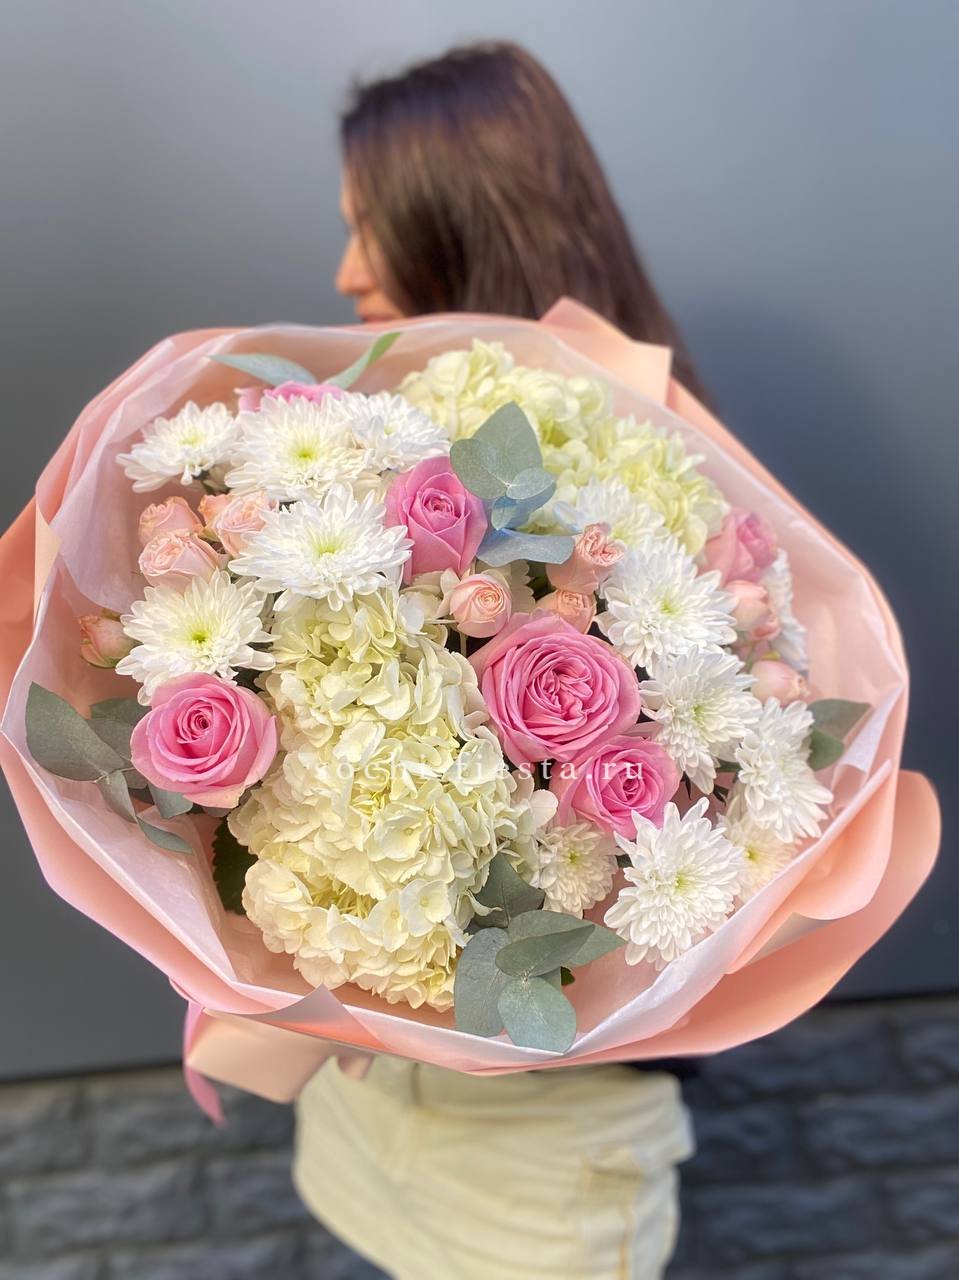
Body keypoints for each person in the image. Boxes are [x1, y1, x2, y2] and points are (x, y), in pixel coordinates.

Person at [294, 42, 697, 1280]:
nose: (344, 269)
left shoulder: (649, 486)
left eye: (370, 226)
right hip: (361, 1106)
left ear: (460, 218)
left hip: (542, 1165)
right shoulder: (366, 453)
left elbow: (698, 866)